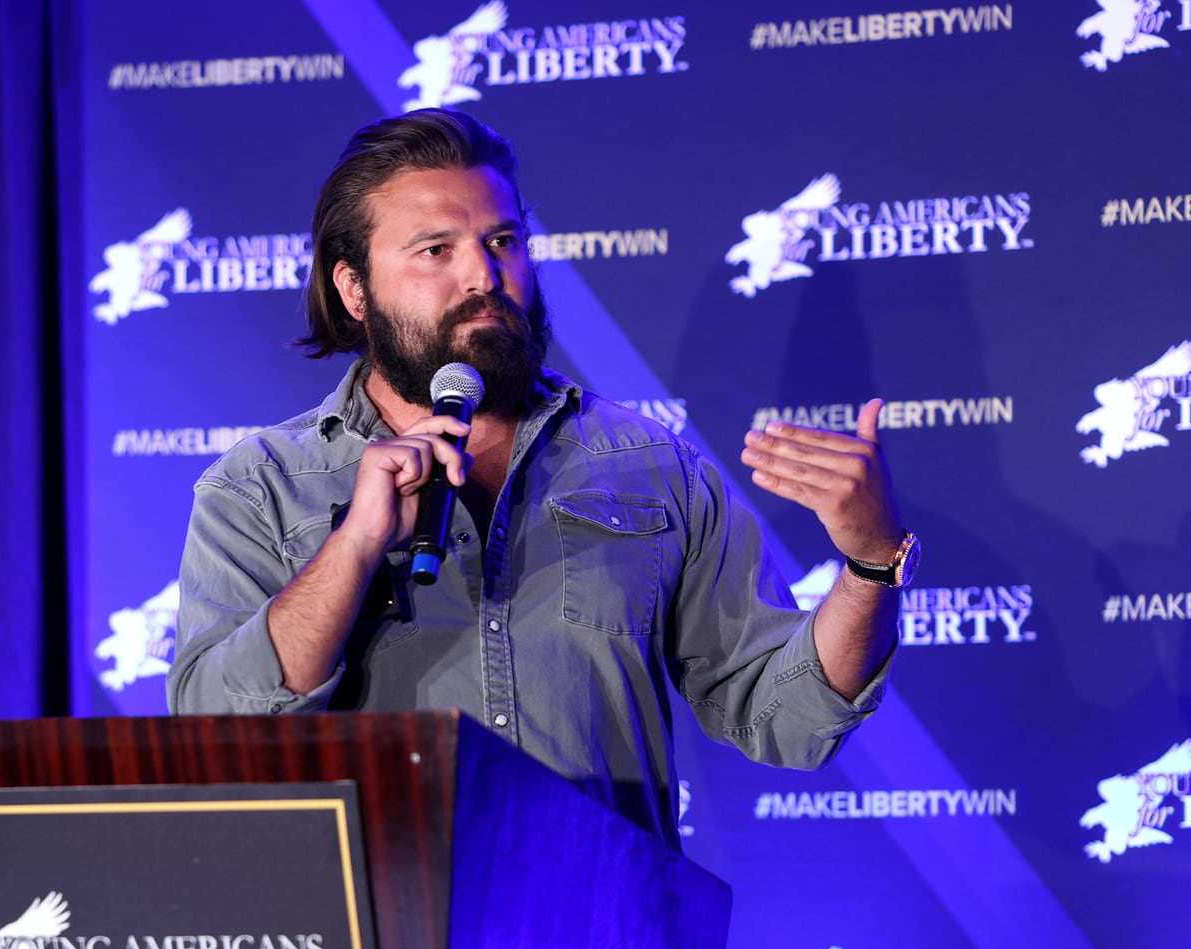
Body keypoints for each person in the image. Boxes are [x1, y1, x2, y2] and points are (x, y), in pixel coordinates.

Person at [166, 108, 912, 840]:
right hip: (377, 913)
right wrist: (353, 546)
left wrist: (871, 565)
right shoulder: (260, 486)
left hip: (604, 914)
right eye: (435, 250)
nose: (483, 275)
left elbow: (787, 720)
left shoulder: (651, 465)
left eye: (503, 240)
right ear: (353, 290)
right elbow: (215, 741)